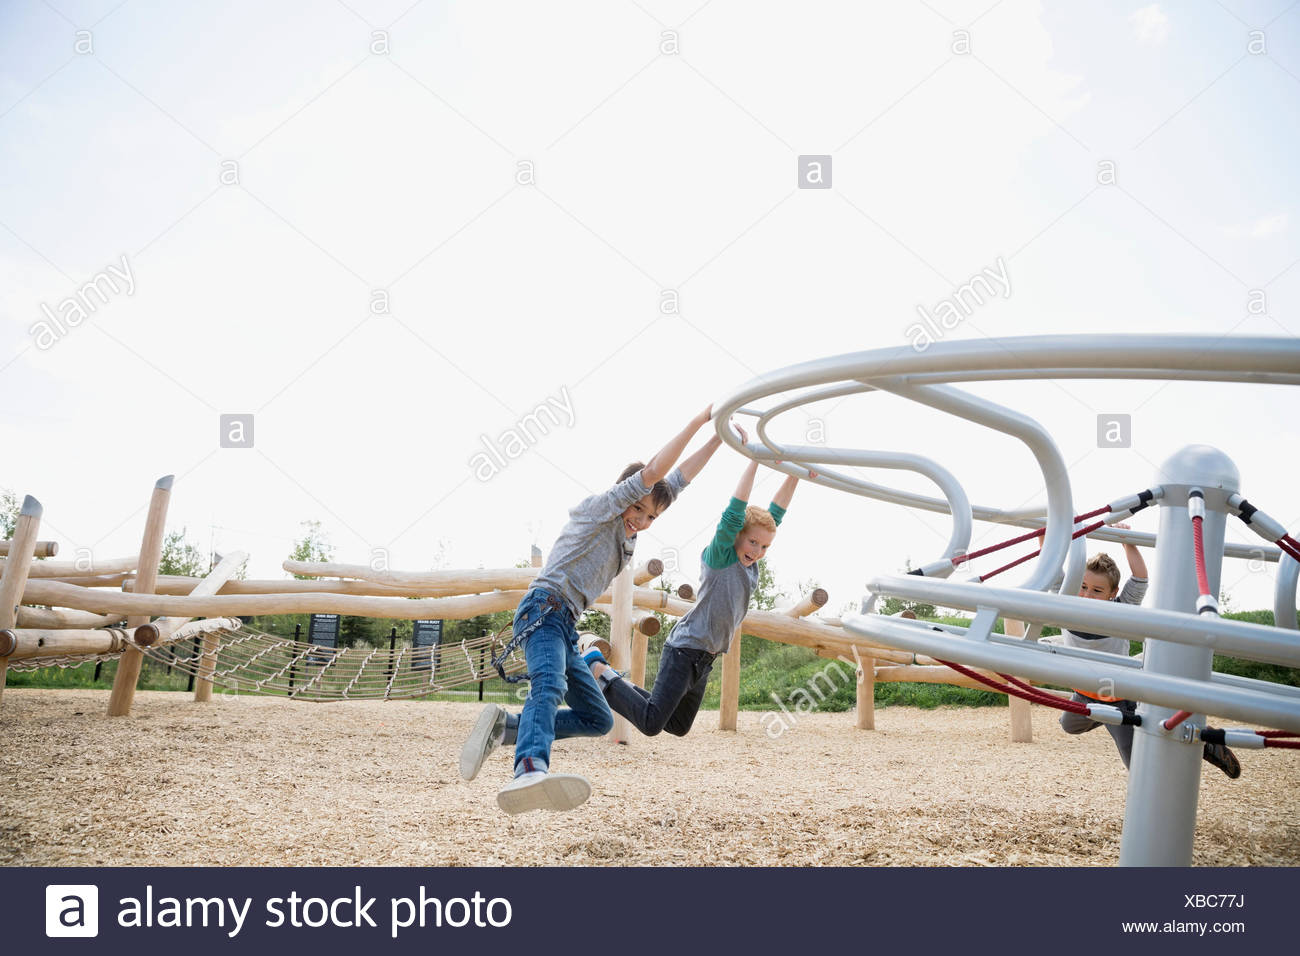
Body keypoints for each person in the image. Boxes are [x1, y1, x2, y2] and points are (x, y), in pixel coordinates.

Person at [459, 406, 723, 814]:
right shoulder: (602, 509)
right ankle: (529, 768)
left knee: (598, 718)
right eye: (639, 509)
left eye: (652, 516)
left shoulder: (632, 528)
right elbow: (656, 472)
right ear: (626, 495)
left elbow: (678, 480)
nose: (643, 520)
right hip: (543, 610)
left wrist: (719, 438)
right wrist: (699, 420)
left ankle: (506, 729)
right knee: (548, 686)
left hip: (565, 625)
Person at [582, 456, 803, 738]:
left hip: (705, 659)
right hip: (684, 651)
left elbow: (776, 515)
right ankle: (596, 667)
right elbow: (734, 511)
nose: (757, 551)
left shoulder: (752, 563)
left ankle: (608, 678)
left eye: (764, 547)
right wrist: (755, 461)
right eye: (752, 542)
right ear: (735, 536)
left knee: (678, 725)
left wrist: (795, 474)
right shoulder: (721, 557)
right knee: (651, 723)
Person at [1057, 527, 1240, 779]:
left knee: (1136, 762)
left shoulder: (1120, 611)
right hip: (1084, 693)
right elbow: (1054, 572)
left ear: (1112, 594)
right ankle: (1143, 715)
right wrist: (1050, 532)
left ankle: (1201, 738)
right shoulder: (1066, 604)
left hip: (1117, 697)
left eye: (1097, 591)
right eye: (1083, 586)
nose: (1087, 594)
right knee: (1069, 725)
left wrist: (1127, 542)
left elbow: (1140, 578)